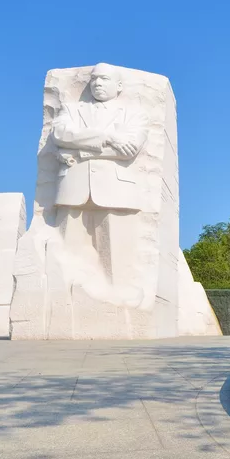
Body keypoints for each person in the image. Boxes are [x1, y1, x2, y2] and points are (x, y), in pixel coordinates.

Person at [50, 63, 150, 306]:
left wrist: (82, 152)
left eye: (104, 79)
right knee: (66, 256)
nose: (97, 83)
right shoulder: (72, 110)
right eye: (94, 79)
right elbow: (61, 136)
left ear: (118, 86)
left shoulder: (134, 114)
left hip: (117, 191)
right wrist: (108, 137)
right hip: (73, 190)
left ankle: (121, 300)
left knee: (118, 257)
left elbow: (129, 151)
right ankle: (66, 303)